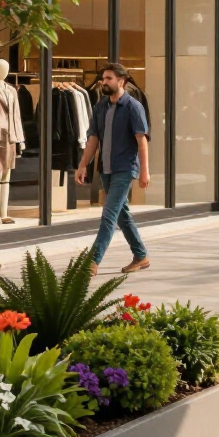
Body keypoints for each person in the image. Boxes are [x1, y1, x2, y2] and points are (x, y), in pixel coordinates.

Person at [76, 63, 150, 277]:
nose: (104, 82)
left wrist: (144, 171)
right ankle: (140, 255)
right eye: (103, 78)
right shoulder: (100, 107)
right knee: (121, 214)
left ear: (121, 81)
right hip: (106, 168)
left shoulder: (134, 107)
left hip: (125, 168)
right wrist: (83, 165)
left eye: (109, 78)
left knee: (109, 215)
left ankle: (92, 261)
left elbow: (141, 140)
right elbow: (93, 139)